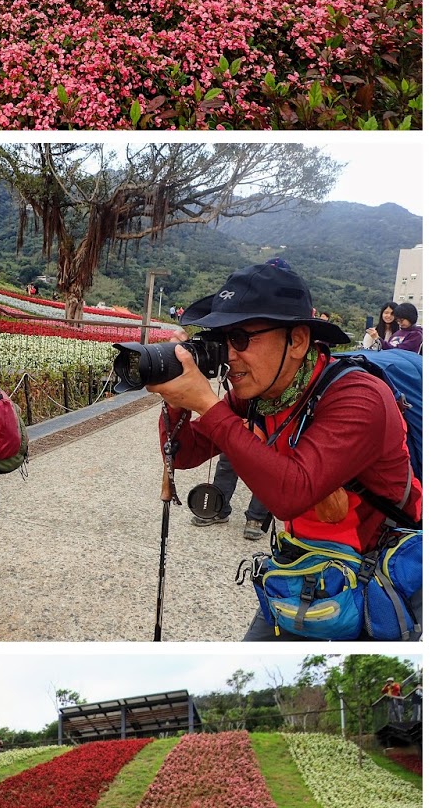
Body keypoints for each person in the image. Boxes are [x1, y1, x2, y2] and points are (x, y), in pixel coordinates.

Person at [151, 262, 421, 638]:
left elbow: (291, 495)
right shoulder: (261, 392)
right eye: (223, 340)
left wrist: (208, 406)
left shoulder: (360, 397)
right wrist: (176, 400)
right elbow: (184, 453)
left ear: (296, 341)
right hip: (304, 563)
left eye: (240, 338)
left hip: (378, 574)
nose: (229, 355)